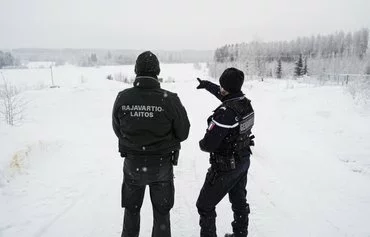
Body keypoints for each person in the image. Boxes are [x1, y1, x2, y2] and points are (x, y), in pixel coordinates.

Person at [112, 51, 190, 237]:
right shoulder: (169, 99)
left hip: (133, 166)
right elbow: (183, 132)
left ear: (136, 70)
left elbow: (118, 129)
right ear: (157, 71)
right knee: (162, 215)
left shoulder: (123, 98)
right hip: (161, 166)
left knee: (131, 211)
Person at [195, 68, 255, 237]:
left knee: (204, 206)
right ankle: (240, 234)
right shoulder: (245, 103)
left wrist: (201, 143)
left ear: (227, 88)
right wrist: (207, 85)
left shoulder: (225, 114)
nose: (220, 89)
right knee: (239, 201)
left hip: (226, 167)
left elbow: (208, 145)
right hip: (243, 160)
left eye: (222, 86)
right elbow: (225, 95)